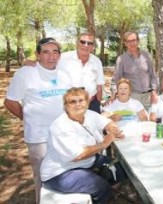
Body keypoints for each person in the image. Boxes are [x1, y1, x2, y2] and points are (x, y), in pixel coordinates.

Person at [4, 38, 70, 203]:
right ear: (38, 54)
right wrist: (27, 119)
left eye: (55, 52)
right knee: (42, 175)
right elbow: (10, 102)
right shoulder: (26, 73)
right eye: (46, 52)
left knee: (64, 172)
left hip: (64, 134)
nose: (51, 56)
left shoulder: (65, 73)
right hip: (39, 137)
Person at [40, 87, 127, 204]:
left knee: (120, 168)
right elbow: (78, 156)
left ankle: (108, 195)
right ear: (66, 106)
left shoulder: (89, 114)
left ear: (87, 103)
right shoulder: (60, 126)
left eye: (81, 100)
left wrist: (114, 130)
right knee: (100, 186)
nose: (78, 104)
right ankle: (104, 194)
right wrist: (104, 143)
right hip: (60, 172)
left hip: (87, 163)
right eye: (73, 102)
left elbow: (107, 123)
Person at [58, 32, 105, 113]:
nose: (86, 45)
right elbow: (46, 64)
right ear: (77, 43)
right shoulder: (62, 58)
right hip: (70, 104)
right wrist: (29, 63)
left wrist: (98, 102)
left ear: (93, 47)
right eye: (83, 42)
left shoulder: (97, 61)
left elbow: (99, 85)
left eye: (89, 43)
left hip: (91, 104)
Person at [112, 31, 158, 110]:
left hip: (148, 97)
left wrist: (154, 92)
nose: (132, 43)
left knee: (149, 121)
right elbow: (116, 80)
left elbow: (153, 76)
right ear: (125, 43)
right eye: (129, 41)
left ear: (138, 41)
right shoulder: (121, 59)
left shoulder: (146, 56)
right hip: (132, 97)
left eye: (133, 40)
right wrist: (115, 94)